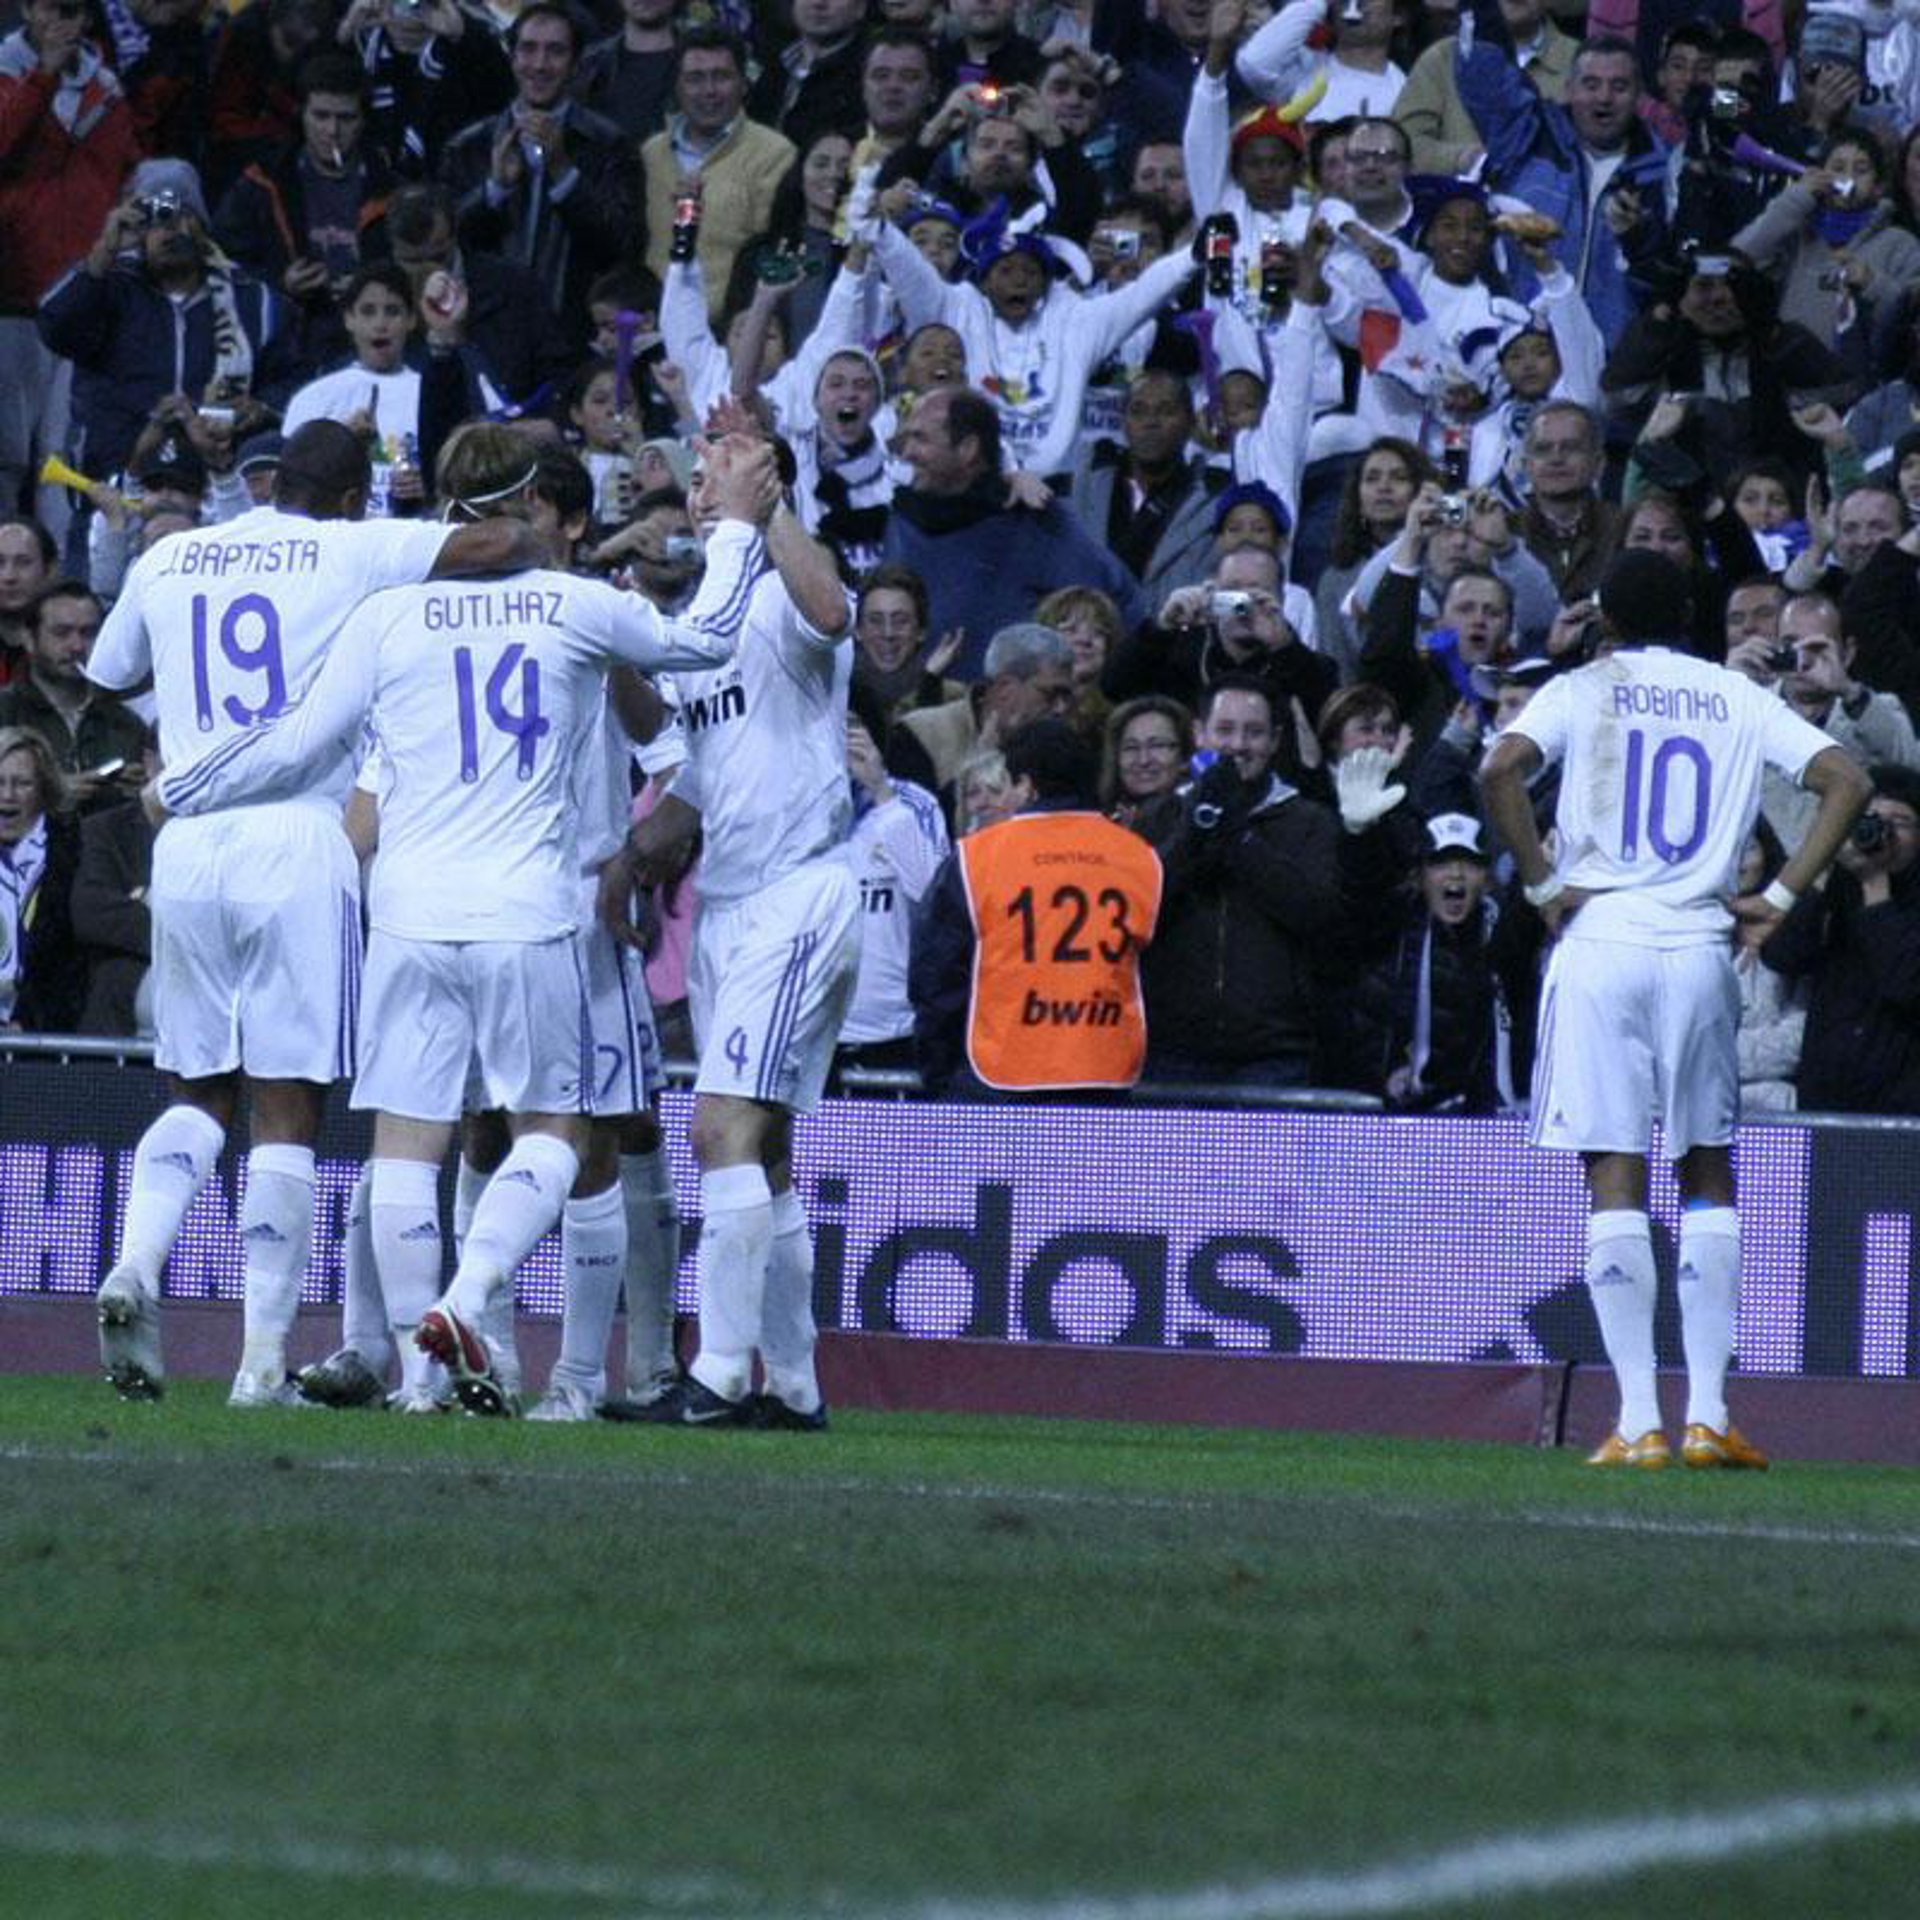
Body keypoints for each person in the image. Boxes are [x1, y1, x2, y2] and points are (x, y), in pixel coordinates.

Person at [150, 426, 778, 1417]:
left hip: (407, 915)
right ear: (528, 504)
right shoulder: (575, 605)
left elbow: (294, 741)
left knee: (405, 1148)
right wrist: (737, 527)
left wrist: (182, 786)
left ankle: (421, 1377)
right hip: (528, 913)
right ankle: (469, 1295)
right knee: (555, 1134)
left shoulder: (386, 616)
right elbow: (705, 641)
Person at [82, 418, 545, 1408]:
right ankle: (259, 1363)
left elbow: (109, 671)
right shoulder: (350, 545)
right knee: (287, 1109)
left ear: (270, 481)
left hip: (188, 842)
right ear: (345, 498)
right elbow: (502, 544)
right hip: (297, 837)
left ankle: (136, 1262)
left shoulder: (172, 554)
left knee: (196, 1093)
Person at [1479, 549, 1871, 1471]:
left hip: (1604, 940)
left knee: (1615, 1171)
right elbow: (1847, 780)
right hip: (1699, 946)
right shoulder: (1733, 695)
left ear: (1606, 618)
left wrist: (1541, 883)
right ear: (1690, 616)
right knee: (1706, 1170)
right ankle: (1709, 1415)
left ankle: (1637, 1420)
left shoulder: (1582, 688)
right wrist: (1780, 896)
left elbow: (1500, 771)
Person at [597, 429, 865, 1431]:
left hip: (798, 892)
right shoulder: (700, 614)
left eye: (716, 475)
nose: (697, 490)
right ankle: (793, 1387)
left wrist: (768, 512)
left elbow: (834, 613)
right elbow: (681, 759)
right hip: (729, 901)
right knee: (765, 1152)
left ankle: (713, 1377)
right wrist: (617, 643)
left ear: (765, 483)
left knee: (718, 1131)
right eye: (698, 477)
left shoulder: (785, 591)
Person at [910, 716, 1162, 1096]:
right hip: (1107, 1070)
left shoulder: (976, 858)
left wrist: (939, 1076)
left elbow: (937, 978)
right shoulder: (1140, 856)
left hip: (1000, 1074)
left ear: (1027, 786)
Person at [1132, 674, 1347, 1089]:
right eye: (1225, 730)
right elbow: (1139, 909)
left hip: (1275, 1052)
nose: (1238, 745)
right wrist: (1194, 831)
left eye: (1254, 732)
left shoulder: (1310, 821)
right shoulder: (1160, 816)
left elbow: (1318, 915)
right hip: (1172, 1049)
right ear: (1199, 734)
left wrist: (1239, 838)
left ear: (1275, 740)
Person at [0, 0, 139, 532]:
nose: (65, 24)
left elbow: (122, 172)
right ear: (28, 9)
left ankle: (63, 571)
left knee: (59, 458)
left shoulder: (106, 89)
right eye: (54, 9)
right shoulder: (6, 73)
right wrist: (43, 77)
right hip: (12, 292)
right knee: (6, 452)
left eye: (76, 12)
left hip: (81, 293)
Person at [436, 4, 639, 350]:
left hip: (574, 339)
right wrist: (494, 189)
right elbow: (444, 244)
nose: (540, 65)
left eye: (555, 51)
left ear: (576, 63)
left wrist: (564, 174)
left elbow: (621, 247)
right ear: (512, 57)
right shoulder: (469, 147)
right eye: (528, 49)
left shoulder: (609, 145)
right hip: (487, 335)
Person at [1761, 765, 1920, 1117]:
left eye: (1900, 821)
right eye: (1868, 819)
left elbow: (1907, 984)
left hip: (1904, 1105)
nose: (1882, 831)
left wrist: (1874, 884)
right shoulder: (1833, 886)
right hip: (1825, 1098)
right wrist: (1822, 865)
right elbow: (1781, 955)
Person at [0, 581, 148, 805]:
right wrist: (51, 794)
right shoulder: (6, 711)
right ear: (29, 639)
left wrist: (140, 792)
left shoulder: (125, 723)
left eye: (89, 633)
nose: (77, 646)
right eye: (61, 633)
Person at [0, 723, 81, 1032]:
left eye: (22, 784)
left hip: (41, 1031)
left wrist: (29, 1020)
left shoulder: (71, 856)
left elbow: (69, 962)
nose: (7, 795)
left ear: (45, 790)